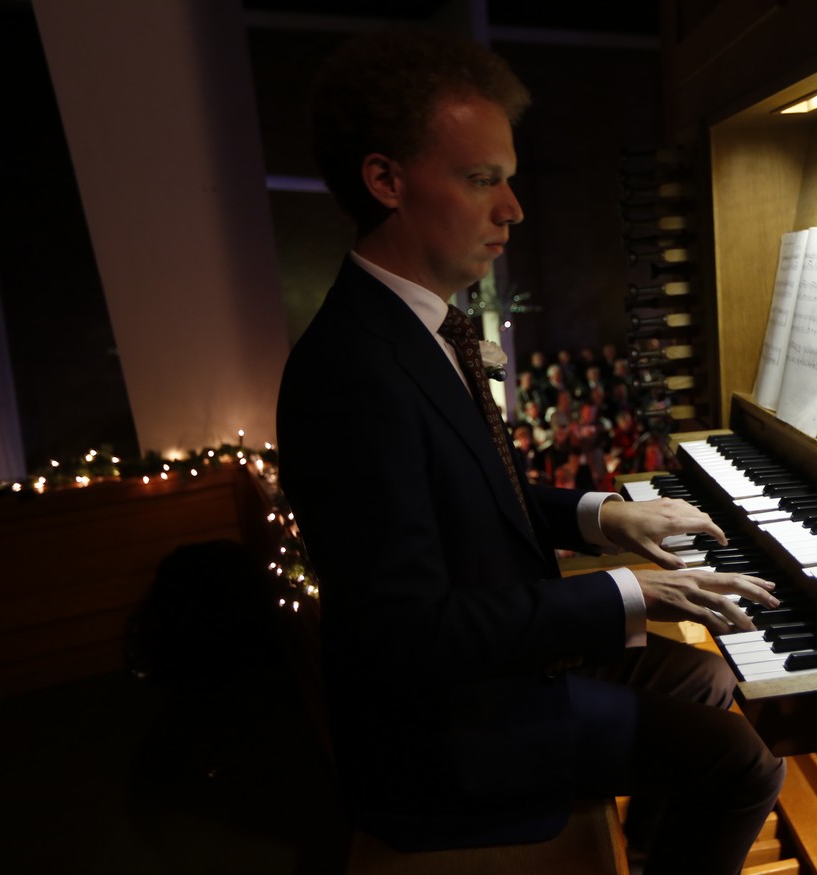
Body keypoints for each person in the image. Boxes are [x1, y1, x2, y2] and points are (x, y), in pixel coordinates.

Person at [275, 25, 785, 875]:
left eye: (508, 179)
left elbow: (478, 493)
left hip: (496, 664)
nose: (513, 208)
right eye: (482, 179)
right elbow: (409, 633)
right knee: (743, 766)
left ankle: (648, 849)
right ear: (385, 180)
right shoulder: (349, 372)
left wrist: (605, 517)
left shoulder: (418, 325)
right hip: (448, 725)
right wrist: (631, 591)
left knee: (708, 678)